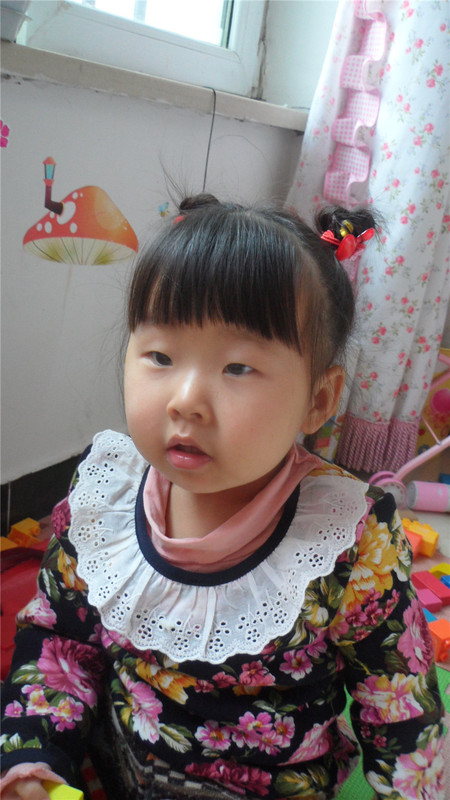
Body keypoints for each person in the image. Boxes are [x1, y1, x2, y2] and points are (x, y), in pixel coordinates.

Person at [1, 195, 444, 800]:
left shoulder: (349, 539)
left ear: (317, 400)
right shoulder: (107, 495)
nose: (185, 400)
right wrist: (35, 760)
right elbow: (61, 645)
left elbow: (400, 709)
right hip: (120, 772)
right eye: (160, 356)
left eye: (237, 368)